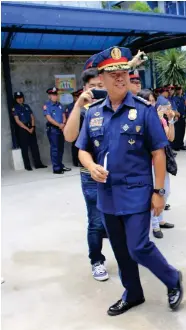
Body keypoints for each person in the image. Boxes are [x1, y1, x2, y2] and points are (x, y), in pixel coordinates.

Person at [75, 46, 183, 316]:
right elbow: (82, 149)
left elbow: (159, 152)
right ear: (102, 78)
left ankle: (172, 279)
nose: (120, 78)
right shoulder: (93, 112)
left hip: (137, 191)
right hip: (107, 194)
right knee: (121, 250)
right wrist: (90, 165)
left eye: (124, 72)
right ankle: (133, 293)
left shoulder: (144, 110)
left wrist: (159, 191)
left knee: (138, 246)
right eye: (113, 74)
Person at [64, 60, 110, 281]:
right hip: (90, 174)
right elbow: (69, 137)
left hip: (115, 174)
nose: (98, 90)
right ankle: (97, 261)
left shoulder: (114, 106)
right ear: (85, 88)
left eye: (102, 85)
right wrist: (77, 105)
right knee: (96, 220)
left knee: (117, 219)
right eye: (93, 86)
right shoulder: (83, 111)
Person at [138, 89, 176, 239]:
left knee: (165, 191)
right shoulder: (140, 119)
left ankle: (160, 220)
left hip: (162, 163)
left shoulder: (160, 119)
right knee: (154, 193)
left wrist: (170, 120)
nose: (152, 104)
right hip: (149, 164)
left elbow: (170, 138)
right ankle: (154, 225)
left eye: (153, 101)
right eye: (149, 101)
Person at [11, 91, 47, 171]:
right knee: (24, 148)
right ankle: (27, 166)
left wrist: (32, 126)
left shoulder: (26, 106)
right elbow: (17, 121)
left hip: (31, 127)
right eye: (18, 98)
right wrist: (27, 129)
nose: (20, 99)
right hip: (22, 129)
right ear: (15, 99)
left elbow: (32, 117)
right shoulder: (15, 108)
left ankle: (38, 164)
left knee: (34, 146)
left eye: (21, 97)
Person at [43, 87, 71, 174]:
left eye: (56, 95)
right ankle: (56, 168)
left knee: (60, 148)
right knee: (55, 149)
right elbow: (49, 118)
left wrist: (63, 123)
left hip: (61, 129)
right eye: (53, 95)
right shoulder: (47, 106)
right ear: (49, 96)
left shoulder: (60, 105)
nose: (55, 96)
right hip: (53, 130)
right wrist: (59, 125)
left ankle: (60, 165)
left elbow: (63, 115)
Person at [66, 88, 84, 167]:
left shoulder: (85, 104)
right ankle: (75, 161)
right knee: (76, 145)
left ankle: (82, 161)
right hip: (76, 127)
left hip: (84, 127)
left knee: (83, 145)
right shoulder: (71, 106)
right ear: (74, 97)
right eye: (77, 97)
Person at [171, 85, 186, 151]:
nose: (179, 90)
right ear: (176, 90)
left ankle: (181, 144)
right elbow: (174, 108)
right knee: (177, 132)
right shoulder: (174, 99)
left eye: (180, 89)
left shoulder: (183, 98)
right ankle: (176, 145)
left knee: (182, 131)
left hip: (183, 116)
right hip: (177, 117)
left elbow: (185, 108)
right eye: (178, 89)